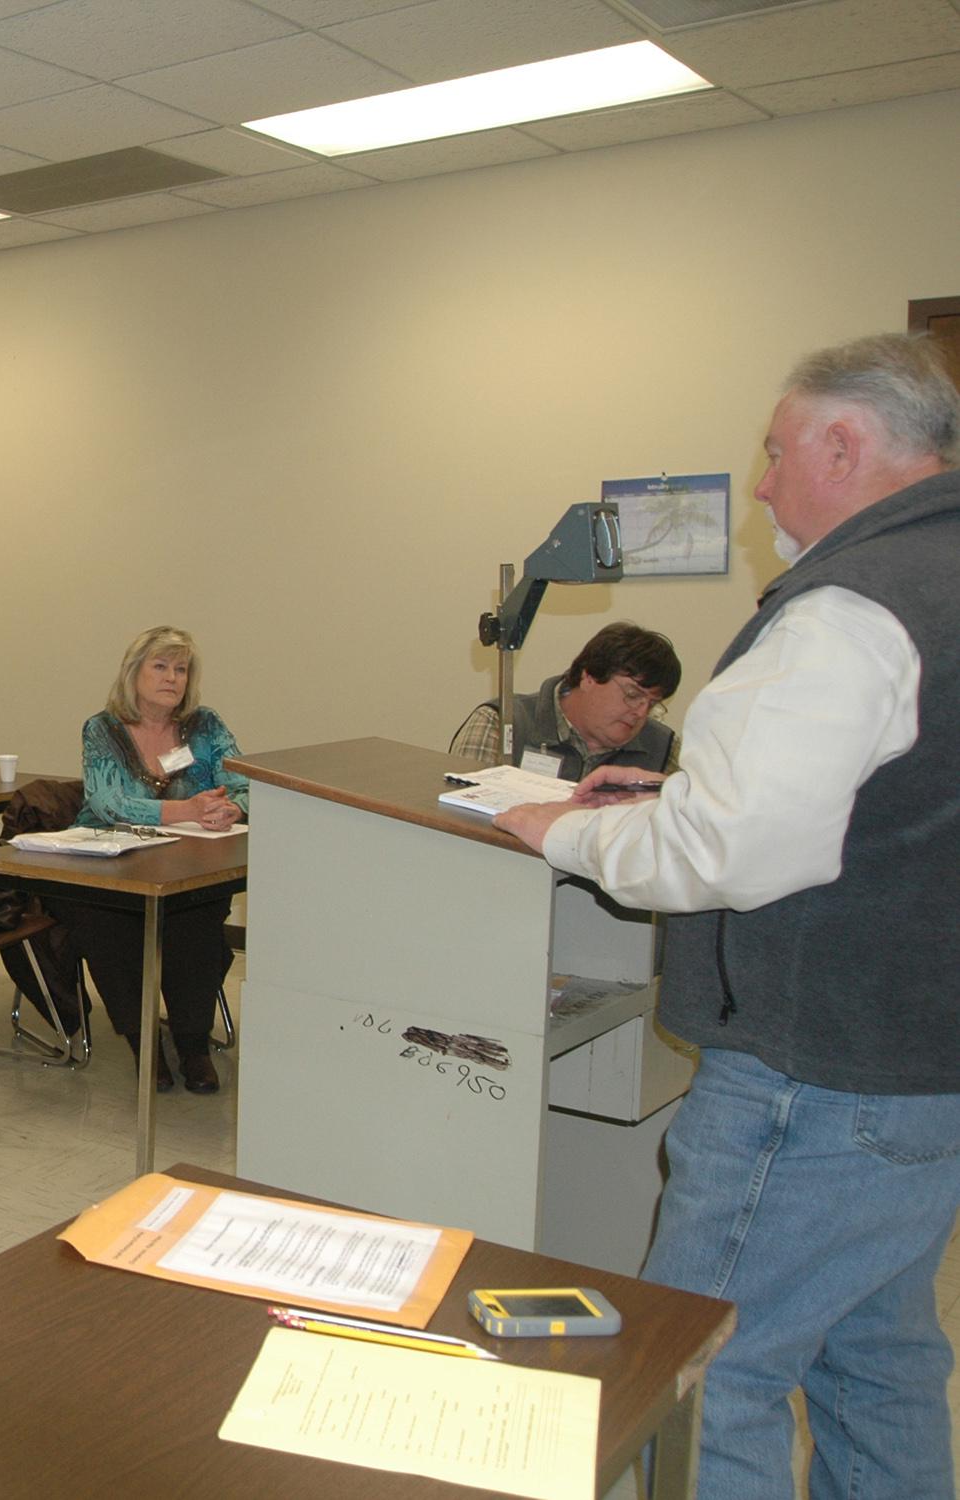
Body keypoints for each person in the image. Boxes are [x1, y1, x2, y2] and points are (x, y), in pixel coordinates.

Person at [493, 333, 960, 1500]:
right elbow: (891, 799)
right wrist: (687, 791)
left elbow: (728, 851)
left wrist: (571, 831)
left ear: (846, 445)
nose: (761, 483)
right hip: (920, 1072)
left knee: (708, 1369)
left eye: (775, 451)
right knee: (878, 1359)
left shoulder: (851, 608)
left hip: (815, 1079)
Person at [67, 626, 245, 1095]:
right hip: (111, 860)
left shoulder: (205, 725)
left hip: (189, 862)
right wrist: (185, 809)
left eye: (181, 669)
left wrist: (233, 807)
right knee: (109, 926)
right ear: (134, 673)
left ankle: (192, 1045)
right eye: (161, 667)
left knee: (197, 923)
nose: (172, 678)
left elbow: (244, 781)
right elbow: (109, 803)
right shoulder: (102, 729)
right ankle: (142, 1043)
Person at [448, 622, 682, 776]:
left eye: (652, 704)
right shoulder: (500, 724)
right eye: (632, 695)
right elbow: (459, 824)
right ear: (588, 677)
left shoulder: (663, 749)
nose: (641, 713)